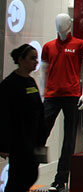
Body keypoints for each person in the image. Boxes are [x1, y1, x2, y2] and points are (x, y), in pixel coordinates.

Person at [0, 44, 47, 192]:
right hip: (18, 140)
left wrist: (41, 136)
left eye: (36, 58)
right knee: (18, 176)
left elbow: (39, 110)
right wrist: (4, 145)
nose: (36, 62)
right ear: (21, 60)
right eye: (32, 58)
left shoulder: (31, 82)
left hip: (32, 138)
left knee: (31, 173)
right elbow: (4, 116)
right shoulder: (9, 84)